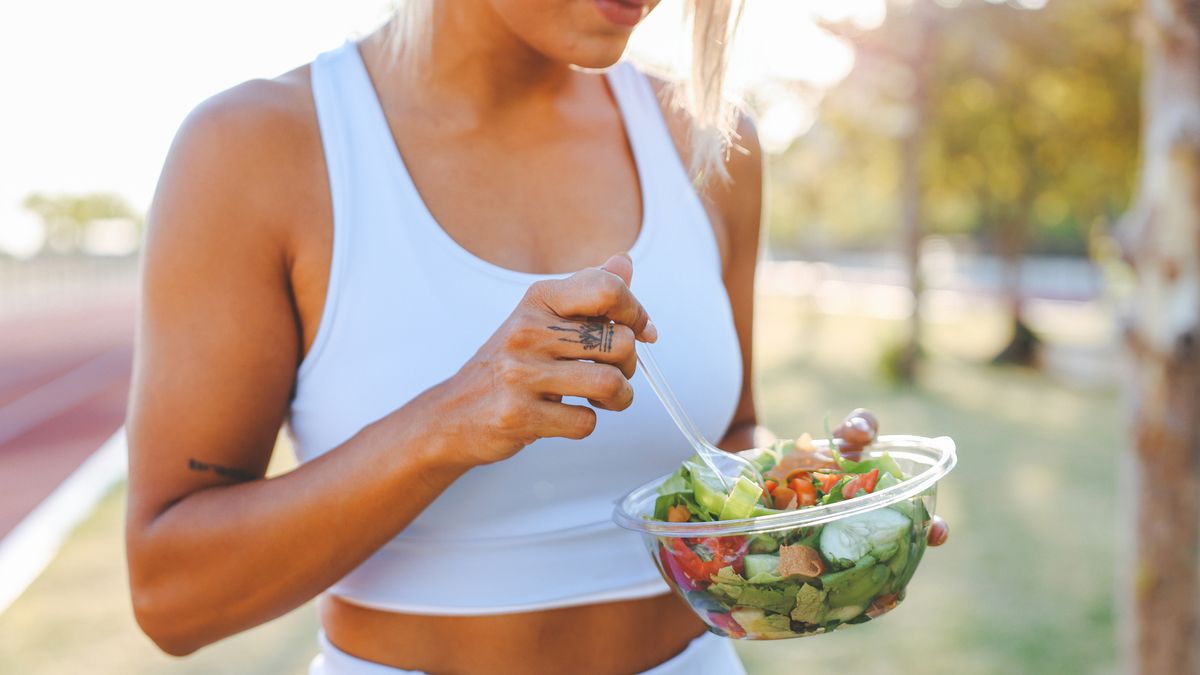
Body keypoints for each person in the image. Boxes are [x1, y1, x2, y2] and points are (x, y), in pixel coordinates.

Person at [124, 1, 948, 673]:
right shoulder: (257, 149)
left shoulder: (706, 134)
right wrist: (447, 422)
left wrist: (803, 507)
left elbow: (727, 439)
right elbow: (173, 596)